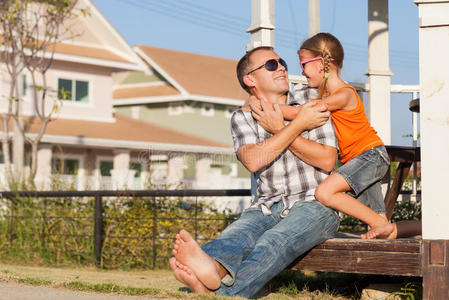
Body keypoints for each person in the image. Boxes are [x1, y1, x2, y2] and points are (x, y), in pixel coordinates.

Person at [169, 46, 340, 298]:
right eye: (271, 65)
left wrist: (279, 127)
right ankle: (211, 270)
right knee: (238, 233)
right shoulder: (243, 117)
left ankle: (222, 293)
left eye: (281, 62)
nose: (282, 67)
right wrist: (296, 127)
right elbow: (252, 160)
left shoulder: (312, 101)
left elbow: (327, 160)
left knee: (274, 241)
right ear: (250, 80)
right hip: (267, 205)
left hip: (316, 204)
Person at [248, 33, 391, 239]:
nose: (302, 71)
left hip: (370, 156)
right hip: (357, 160)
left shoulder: (345, 94)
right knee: (380, 225)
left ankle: (379, 224)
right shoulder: (329, 96)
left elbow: (301, 113)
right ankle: (397, 231)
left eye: (304, 64)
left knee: (324, 193)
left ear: (322, 64)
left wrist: (267, 105)